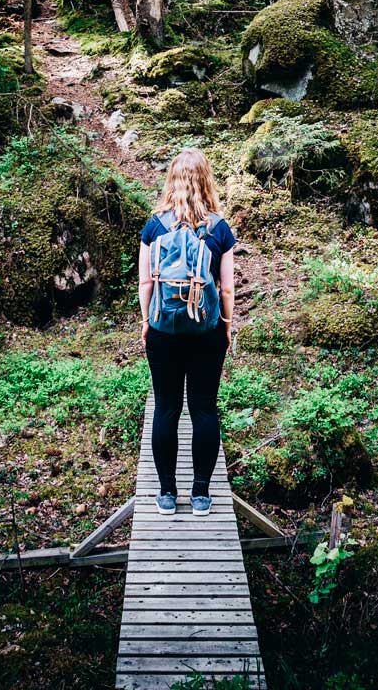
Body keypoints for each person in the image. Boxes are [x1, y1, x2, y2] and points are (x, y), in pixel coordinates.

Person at [138, 147, 236, 517]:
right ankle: (200, 495)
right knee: (204, 409)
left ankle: (165, 494)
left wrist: (147, 321)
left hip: (163, 330)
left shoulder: (154, 225)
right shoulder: (219, 228)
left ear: (172, 182)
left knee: (165, 408)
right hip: (206, 331)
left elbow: (146, 282)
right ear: (206, 180)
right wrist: (226, 326)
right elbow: (226, 289)